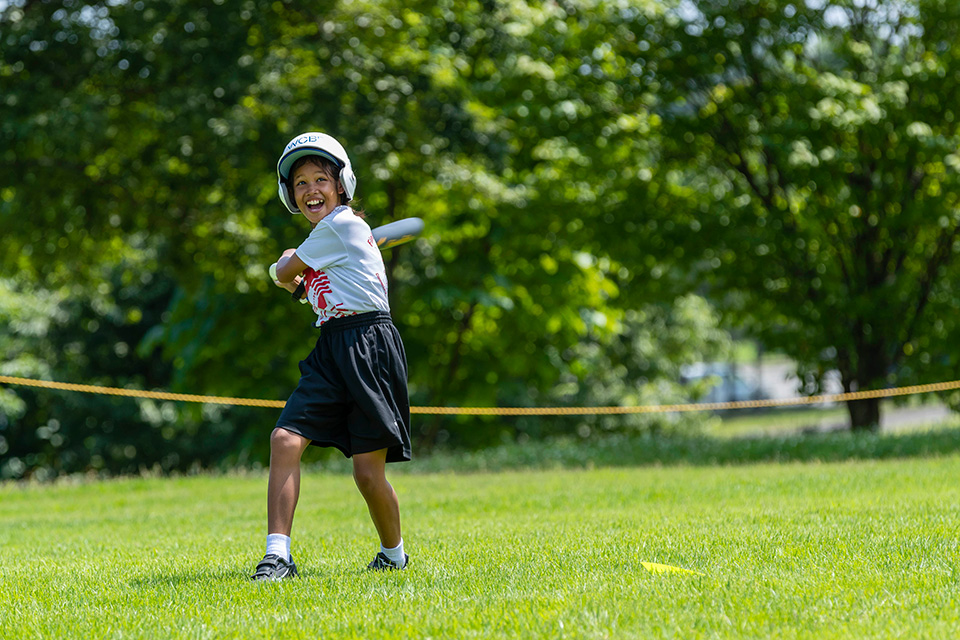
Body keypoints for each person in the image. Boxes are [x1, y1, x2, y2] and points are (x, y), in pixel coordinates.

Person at [250, 132, 412, 581]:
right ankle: (277, 556)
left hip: (368, 347)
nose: (310, 190)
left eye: (320, 179)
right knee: (284, 439)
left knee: (366, 473)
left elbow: (284, 271)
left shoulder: (340, 226)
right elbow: (309, 286)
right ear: (290, 196)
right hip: (332, 346)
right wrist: (297, 279)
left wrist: (283, 267)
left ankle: (394, 556)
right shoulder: (329, 241)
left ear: (342, 185)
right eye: (300, 184)